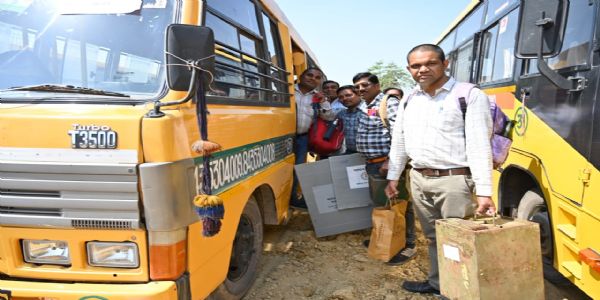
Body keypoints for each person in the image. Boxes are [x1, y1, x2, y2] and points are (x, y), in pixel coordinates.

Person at [385, 44, 496, 295]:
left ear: (445, 64)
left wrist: (484, 191)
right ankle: (439, 284)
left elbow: (480, 145)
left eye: (430, 63)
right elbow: (399, 141)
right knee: (434, 237)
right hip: (419, 179)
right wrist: (394, 176)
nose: (423, 69)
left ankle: (462, 291)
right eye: (416, 66)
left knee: (458, 240)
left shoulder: (468, 95)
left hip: (454, 182)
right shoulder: (409, 99)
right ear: (409, 70)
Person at [353, 72, 417, 265]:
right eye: (357, 87)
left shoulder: (388, 102)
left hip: (386, 164)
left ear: (377, 86)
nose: (360, 89)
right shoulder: (366, 105)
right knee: (382, 202)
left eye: (365, 85)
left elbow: (401, 132)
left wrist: (391, 160)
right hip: (372, 164)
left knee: (400, 204)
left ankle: (407, 244)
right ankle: (386, 238)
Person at [291, 67, 334, 208]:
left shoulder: (318, 96)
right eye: (309, 75)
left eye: (317, 77)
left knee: (297, 169)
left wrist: (323, 102)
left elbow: (329, 116)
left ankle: (292, 199)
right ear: (301, 76)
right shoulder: (287, 89)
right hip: (282, 136)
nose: (312, 79)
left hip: (302, 138)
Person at [335, 85, 364, 154]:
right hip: (350, 152)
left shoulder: (370, 110)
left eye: (348, 95)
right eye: (341, 97)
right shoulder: (341, 114)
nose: (344, 99)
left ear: (358, 95)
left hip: (371, 153)